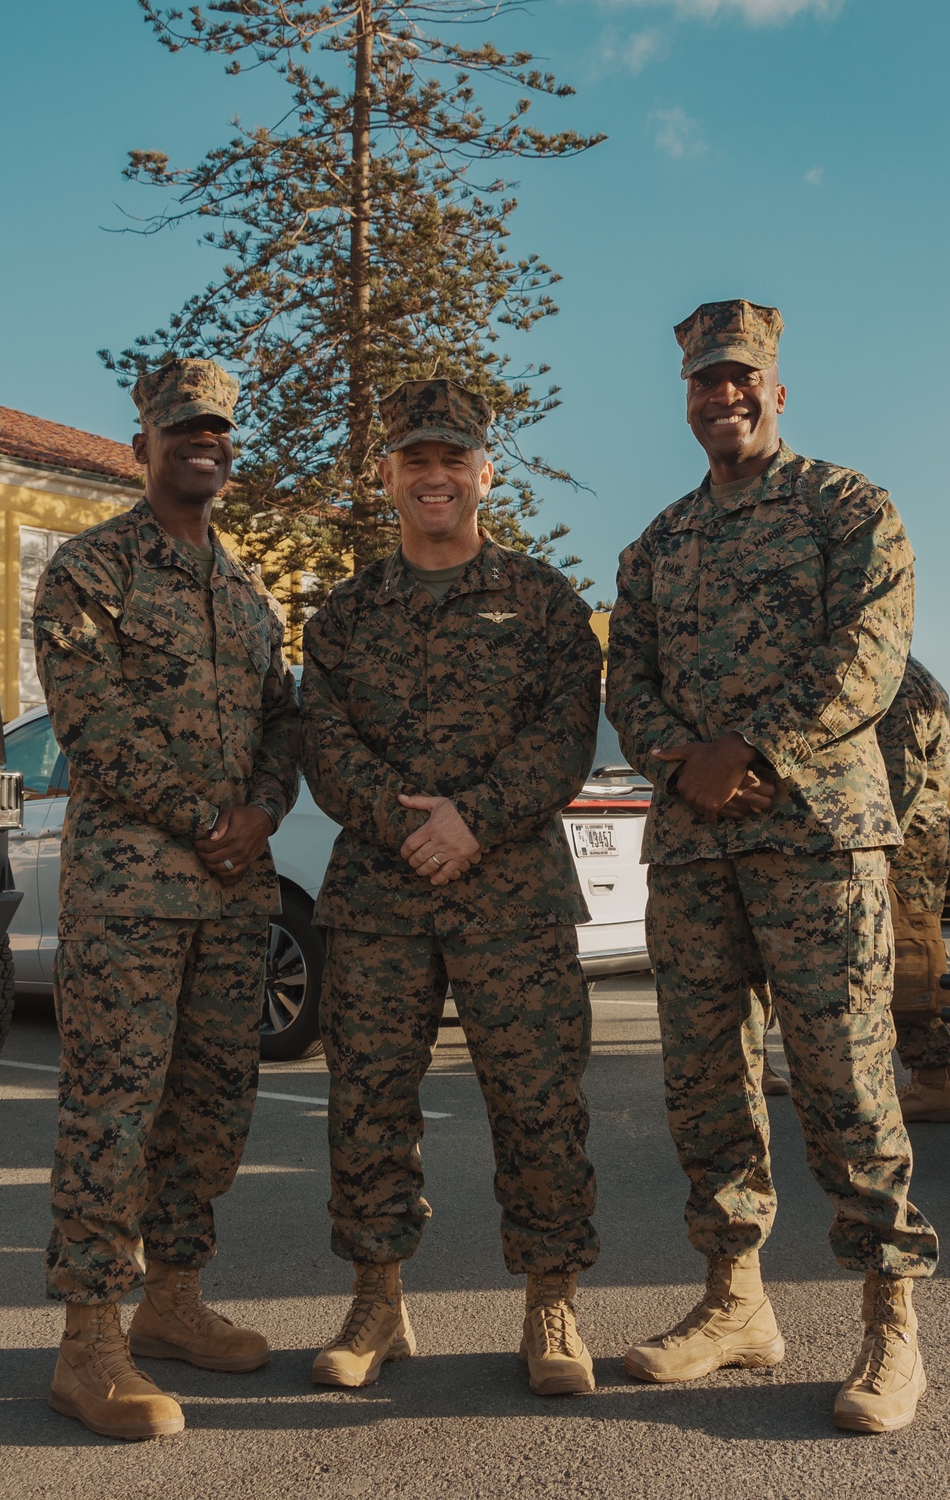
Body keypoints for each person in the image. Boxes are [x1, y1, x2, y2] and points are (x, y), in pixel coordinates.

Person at [606, 300, 938, 1434]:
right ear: (686, 398)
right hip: (696, 851)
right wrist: (678, 761)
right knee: (706, 1085)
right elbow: (629, 682)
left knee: (845, 1081)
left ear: (777, 390)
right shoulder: (654, 545)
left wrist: (751, 749)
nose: (723, 396)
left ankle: (891, 1323)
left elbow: (872, 655)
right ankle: (733, 1301)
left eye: (740, 378)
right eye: (704, 382)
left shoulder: (850, 508)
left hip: (818, 841)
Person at [300, 378, 601, 1396]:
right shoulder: (344, 615)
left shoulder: (545, 601)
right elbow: (324, 744)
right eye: (414, 459)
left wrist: (473, 818)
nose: (435, 475)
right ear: (385, 474)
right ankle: (376, 1303)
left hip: (512, 892)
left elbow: (564, 737)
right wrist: (405, 823)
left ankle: (551, 1303)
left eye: (453, 458)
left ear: (485, 471)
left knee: (537, 1103)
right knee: (368, 1103)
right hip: (380, 898)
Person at [34, 357, 300, 1441]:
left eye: (218, 430)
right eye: (182, 426)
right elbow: (90, 717)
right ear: (141, 442)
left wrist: (266, 809)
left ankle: (173, 1302)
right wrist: (207, 819)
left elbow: (282, 720)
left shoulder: (248, 592)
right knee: (113, 1111)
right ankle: (88, 1340)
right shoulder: (88, 572)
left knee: (208, 1110)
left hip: (236, 903)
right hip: (134, 894)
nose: (204, 441)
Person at [877, 654, 950, 1121]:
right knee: (917, 953)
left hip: (900, 840)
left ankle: (936, 1081)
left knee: (910, 960)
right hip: (919, 833)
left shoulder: (893, 681)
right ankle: (944, 1077)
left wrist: (874, 846)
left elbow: (899, 779)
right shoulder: (917, 675)